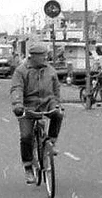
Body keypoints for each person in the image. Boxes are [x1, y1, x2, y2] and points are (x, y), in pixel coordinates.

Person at [9, 42, 64, 184]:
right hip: (28, 106)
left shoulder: (50, 70)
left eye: (45, 55)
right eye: (41, 56)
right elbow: (17, 89)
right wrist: (18, 105)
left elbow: (56, 88)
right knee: (26, 136)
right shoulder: (21, 71)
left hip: (47, 102)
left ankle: (51, 141)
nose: (45, 58)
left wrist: (56, 103)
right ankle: (28, 167)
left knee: (58, 114)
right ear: (32, 56)